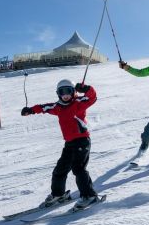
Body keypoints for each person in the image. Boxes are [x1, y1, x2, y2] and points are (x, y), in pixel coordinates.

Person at [21, 80, 99, 210]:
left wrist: (86, 88)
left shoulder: (79, 103)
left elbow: (92, 97)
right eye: (62, 92)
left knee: (78, 168)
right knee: (60, 169)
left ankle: (89, 196)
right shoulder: (58, 106)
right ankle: (59, 195)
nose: (65, 95)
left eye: (68, 91)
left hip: (82, 140)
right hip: (69, 143)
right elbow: (43, 107)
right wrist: (31, 110)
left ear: (73, 91)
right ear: (58, 94)